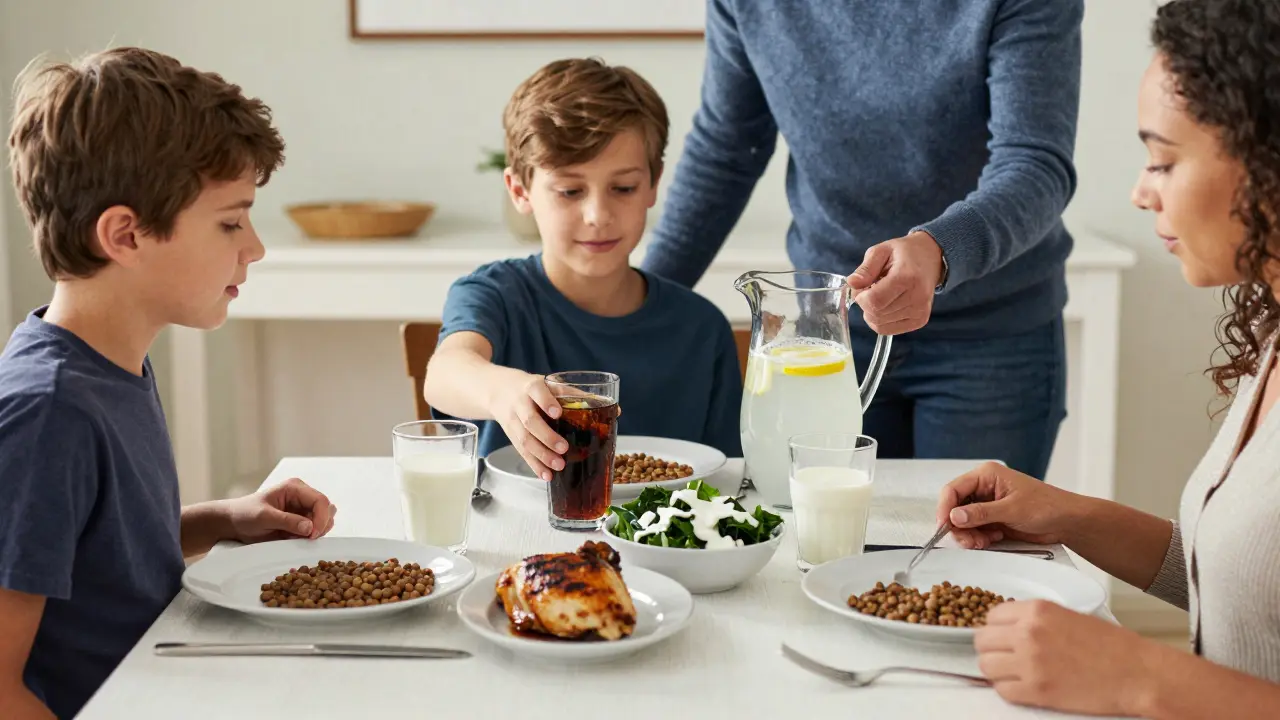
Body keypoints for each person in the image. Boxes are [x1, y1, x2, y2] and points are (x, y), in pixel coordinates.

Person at [935, 1, 1280, 716]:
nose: (1139, 189)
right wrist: (1063, 514)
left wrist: (1137, 676)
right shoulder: (1272, 343)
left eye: (1162, 160)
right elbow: (1245, 589)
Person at [0, 48, 337, 720]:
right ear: (126, 235)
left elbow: (85, 560)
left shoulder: (106, 365)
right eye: (230, 222)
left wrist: (226, 519)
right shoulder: (46, 412)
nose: (256, 247)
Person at [641, 0, 1083, 479]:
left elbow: (1035, 164)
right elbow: (726, 151)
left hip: (992, 339)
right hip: (834, 335)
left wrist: (938, 249)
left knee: (968, 542)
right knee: (823, 542)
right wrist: (634, 305)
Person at [425, 58, 743, 479]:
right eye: (570, 190)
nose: (598, 214)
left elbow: (729, 479)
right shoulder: (494, 294)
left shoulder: (703, 329)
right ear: (520, 191)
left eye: (623, 188)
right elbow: (446, 372)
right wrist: (506, 390)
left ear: (653, 184)